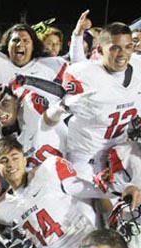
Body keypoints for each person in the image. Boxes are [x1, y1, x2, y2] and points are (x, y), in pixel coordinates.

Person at [0, 137, 141, 248]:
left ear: (25, 159)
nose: (11, 164)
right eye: (4, 160)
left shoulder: (48, 171)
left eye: (15, 157)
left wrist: (123, 189)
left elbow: (89, 189)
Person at [44, 22, 141, 182]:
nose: (123, 53)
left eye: (128, 46)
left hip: (119, 154)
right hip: (85, 158)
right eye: (115, 47)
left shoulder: (137, 67)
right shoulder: (86, 75)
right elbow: (51, 118)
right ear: (100, 50)